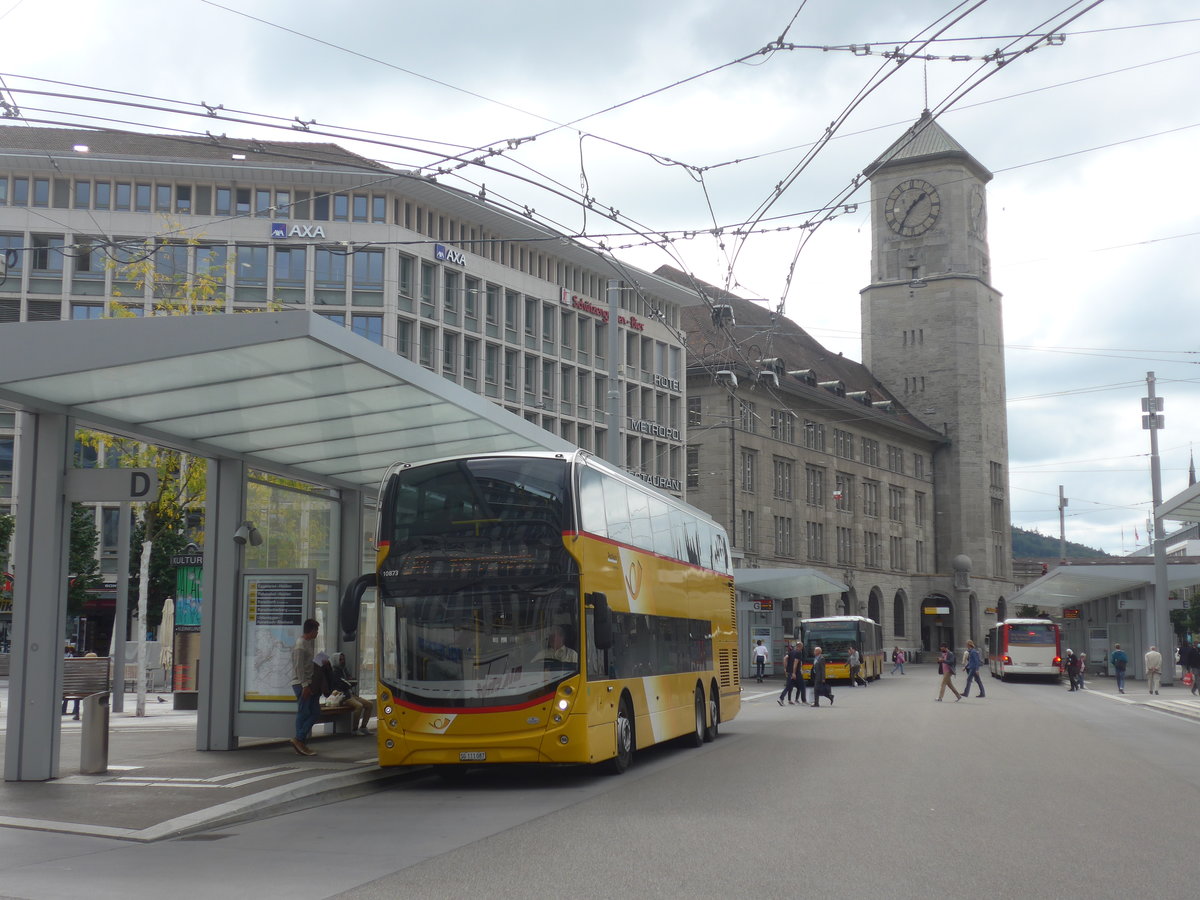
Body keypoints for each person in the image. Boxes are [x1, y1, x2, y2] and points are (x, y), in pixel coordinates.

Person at [290, 618, 321, 756]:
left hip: (309, 683)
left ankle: (300, 739)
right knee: (303, 712)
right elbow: (299, 667)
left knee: (315, 712)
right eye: (317, 630)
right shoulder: (300, 645)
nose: (317, 633)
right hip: (302, 684)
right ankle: (299, 740)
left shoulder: (308, 643)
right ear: (312, 630)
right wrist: (304, 685)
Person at [330, 651, 372, 735]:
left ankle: (363, 727)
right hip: (343, 696)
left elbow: (351, 680)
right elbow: (345, 683)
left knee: (369, 704)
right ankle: (354, 729)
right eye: (340, 659)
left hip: (351, 694)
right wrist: (350, 682)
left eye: (343, 659)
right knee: (359, 706)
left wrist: (350, 682)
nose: (342, 661)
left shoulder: (344, 670)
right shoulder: (335, 672)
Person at [777, 641, 798, 705]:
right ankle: (781, 698)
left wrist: (785, 668)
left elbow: (785, 658)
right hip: (792, 672)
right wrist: (785, 668)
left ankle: (789, 700)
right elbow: (785, 658)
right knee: (789, 686)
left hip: (790, 671)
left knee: (790, 686)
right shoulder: (795, 653)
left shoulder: (791, 653)